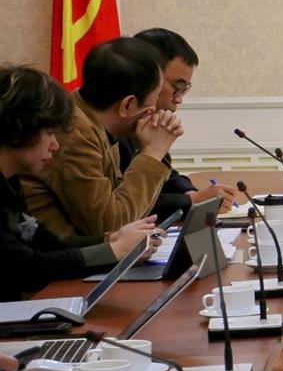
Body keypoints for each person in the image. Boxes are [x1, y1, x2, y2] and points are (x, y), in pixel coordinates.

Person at [0, 65, 157, 302]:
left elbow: (46, 243)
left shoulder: (10, 181)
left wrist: (110, 240)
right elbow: (27, 268)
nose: (55, 145)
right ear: (19, 128)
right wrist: (115, 251)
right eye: (49, 132)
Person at [21, 38, 183, 238]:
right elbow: (109, 225)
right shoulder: (75, 133)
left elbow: (124, 209)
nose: (156, 109)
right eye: (155, 97)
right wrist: (152, 154)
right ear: (127, 105)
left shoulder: (95, 122)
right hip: (58, 255)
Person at [118, 28, 233, 219]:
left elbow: (165, 177)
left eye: (185, 89)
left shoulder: (146, 122)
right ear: (148, 76)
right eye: (177, 87)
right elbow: (123, 206)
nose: (179, 99)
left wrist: (190, 193)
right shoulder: (113, 126)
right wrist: (192, 200)